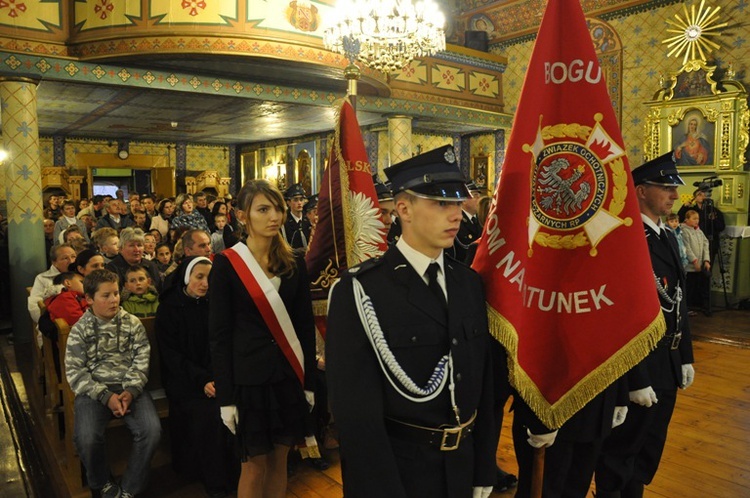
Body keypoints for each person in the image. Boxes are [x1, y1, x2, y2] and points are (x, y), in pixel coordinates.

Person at [326, 145, 497, 498]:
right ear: (403, 208)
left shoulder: (468, 283)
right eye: (440, 204)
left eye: (457, 203)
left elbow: (485, 383)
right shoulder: (362, 289)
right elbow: (356, 412)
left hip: (461, 466)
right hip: (401, 472)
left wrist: (483, 467)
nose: (456, 214)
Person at [596, 152, 695, 498]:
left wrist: (685, 355)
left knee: (647, 449)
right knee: (620, 452)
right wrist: (635, 379)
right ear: (640, 190)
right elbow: (622, 313)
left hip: (666, 361)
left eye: (674, 188)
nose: (674, 195)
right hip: (640, 364)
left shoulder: (665, 236)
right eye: (665, 187)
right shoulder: (626, 238)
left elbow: (679, 301)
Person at [209, 179, 316, 498]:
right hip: (249, 382)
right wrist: (226, 397)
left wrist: (308, 381)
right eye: (263, 209)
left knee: (280, 460)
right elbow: (219, 335)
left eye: (278, 209)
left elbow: (303, 326)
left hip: (286, 377)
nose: (275, 216)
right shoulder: (227, 265)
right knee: (254, 465)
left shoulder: (294, 261)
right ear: (242, 216)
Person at [64, 269, 161, 498]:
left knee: (151, 431)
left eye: (116, 293)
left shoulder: (132, 323)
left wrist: (130, 390)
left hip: (130, 388)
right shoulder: (80, 329)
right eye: (106, 295)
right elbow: (76, 372)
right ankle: (103, 483)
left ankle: (129, 488)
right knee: (86, 437)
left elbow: (141, 360)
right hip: (94, 392)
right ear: (89, 299)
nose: (114, 300)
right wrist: (106, 397)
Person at [156, 256, 236, 498]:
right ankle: (215, 483)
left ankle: (236, 476)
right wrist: (202, 380)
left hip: (217, 377)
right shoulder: (170, 308)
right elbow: (171, 356)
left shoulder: (215, 303)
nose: (204, 283)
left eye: (209, 278)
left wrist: (219, 377)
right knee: (208, 416)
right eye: (199, 277)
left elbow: (223, 344)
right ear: (186, 277)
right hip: (185, 381)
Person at [28, 243, 78, 325]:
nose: (71, 261)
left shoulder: (81, 276)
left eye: (73, 257)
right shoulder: (42, 278)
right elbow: (35, 306)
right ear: (54, 262)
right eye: (65, 258)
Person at [680, 209, 711, 316]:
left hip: (700, 264)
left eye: (697, 218)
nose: (696, 221)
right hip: (690, 266)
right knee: (689, 287)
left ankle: (698, 305)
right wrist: (694, 261)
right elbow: (686, 247)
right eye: (694, 219)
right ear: (687, 219)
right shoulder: (684, 231)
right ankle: (686, 308)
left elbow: (705, 244)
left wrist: (706, 260)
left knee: (699, 287)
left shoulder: (699, 231)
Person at [451, 181, 483, 262]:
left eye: (479, 196)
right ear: (464, 200)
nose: (479, 199)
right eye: (475, 196)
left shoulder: (480, 220)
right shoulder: (456, 220)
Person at [281, 183, 312, 252]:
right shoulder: (284, 222)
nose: (299, 203)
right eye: (295, 200)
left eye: (301, 199)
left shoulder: (308, 219)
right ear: (288, 202)